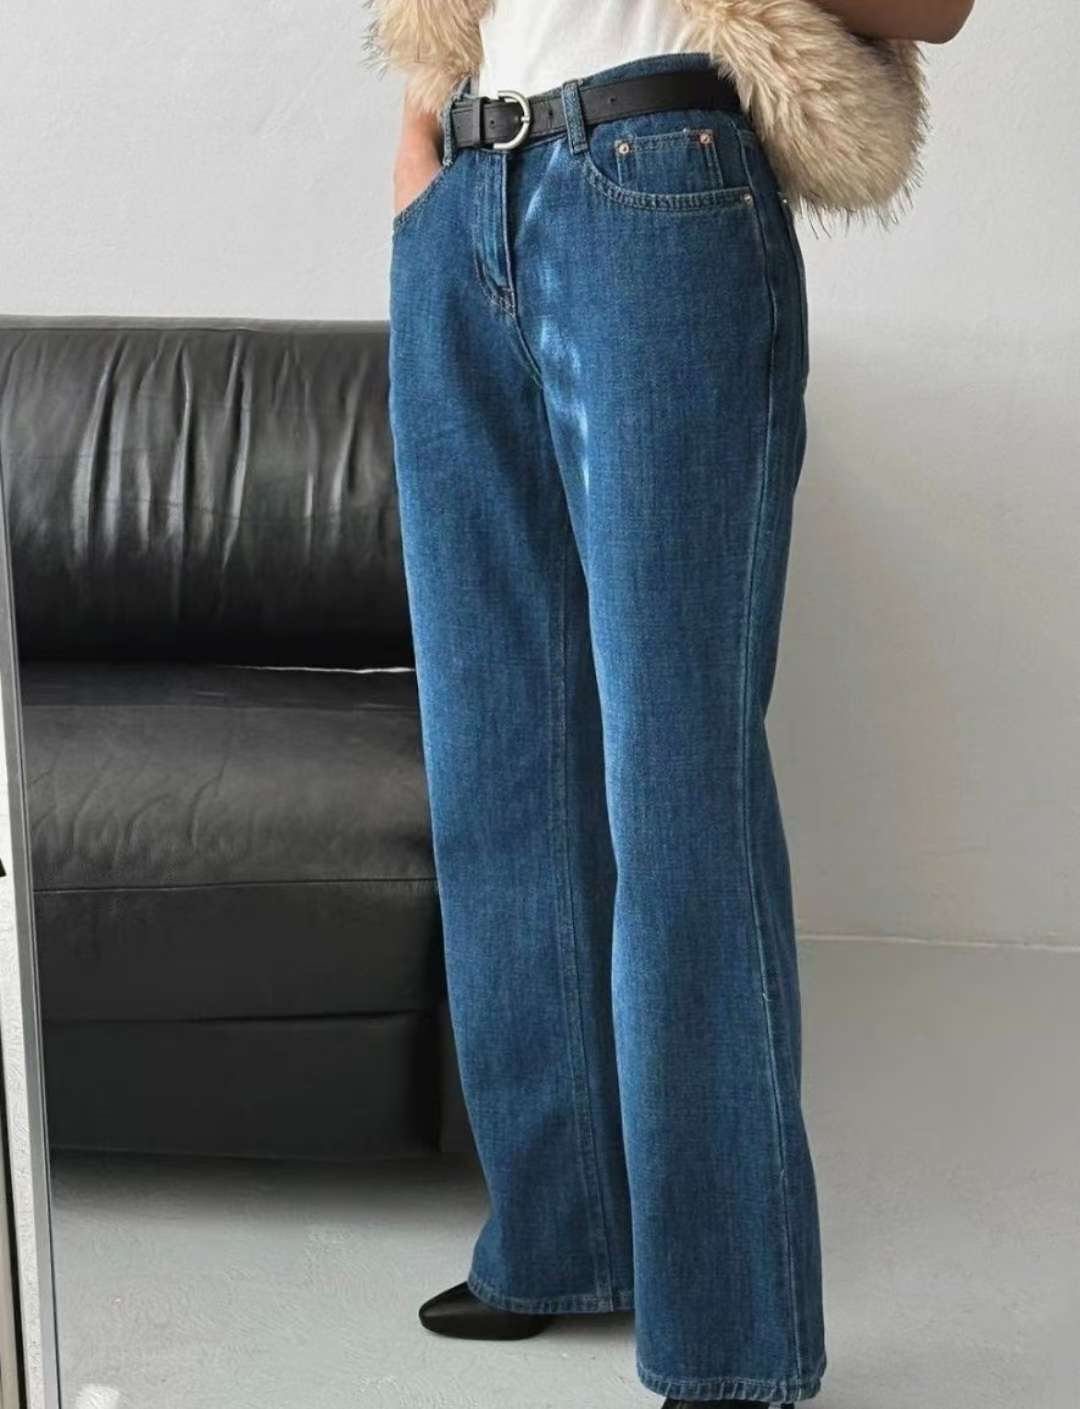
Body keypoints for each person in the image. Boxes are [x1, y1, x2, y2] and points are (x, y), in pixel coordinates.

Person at [380, 2, 974, 1404]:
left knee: (677, 794)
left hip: (656, 182)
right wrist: (421, 187)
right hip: (468, 199)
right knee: (499, 775)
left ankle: (729, 1342)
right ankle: (562, 1237)